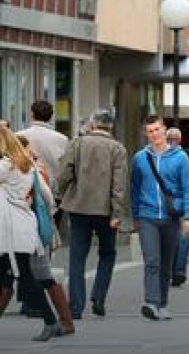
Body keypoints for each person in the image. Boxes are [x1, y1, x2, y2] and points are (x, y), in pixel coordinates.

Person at [56, 109, 128, 320]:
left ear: (93, 124)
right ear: (111, 126)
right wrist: (117, 212)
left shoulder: (78, 144)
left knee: (77, 257)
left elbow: (63, 174)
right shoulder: (117, 148)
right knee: (107, 254)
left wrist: (61, 194)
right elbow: (119, 185)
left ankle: (75, 307)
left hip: (79, 208)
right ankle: (99, 296)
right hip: (105, 211)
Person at [130, 115, 189, 321]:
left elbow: (188, 188)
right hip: (147, 216)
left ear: (164, 130)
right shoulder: (140, 158)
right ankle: (151, 302)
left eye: (157, 130)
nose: (154, 134)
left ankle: (162, 304)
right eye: (149, 131)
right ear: (145, 133)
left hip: (171, 217)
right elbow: (134, 188)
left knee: (166, 263)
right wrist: (135, 215)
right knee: (152, 261)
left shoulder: (181, 157)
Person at [0, 128, 63, 341]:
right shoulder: (27, 166)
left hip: (11, 234)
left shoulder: (6, 167)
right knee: (9, 279)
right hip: (22, 228)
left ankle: (51, 321)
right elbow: (47, 196)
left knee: (25, 278)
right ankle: (52, 322)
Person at [17, 134, 75, 336]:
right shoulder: (33, 168)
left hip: (31, 229)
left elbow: (48, 198)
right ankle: (64, 321)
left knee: (38, 274)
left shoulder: (31, 169)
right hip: (30, 228)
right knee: (25, 274)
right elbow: (50, 200)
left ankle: (63, 320)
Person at [165, 127, 189, 288]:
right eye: (169, 139)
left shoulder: (186, 156)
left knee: (181, 237)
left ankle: (177, 270)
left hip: (177, 203)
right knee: (179, 238)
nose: (171, 142)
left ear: (179, 140)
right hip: (175, 203)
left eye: (173, 139)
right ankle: (177, 271)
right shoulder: (185, 156)